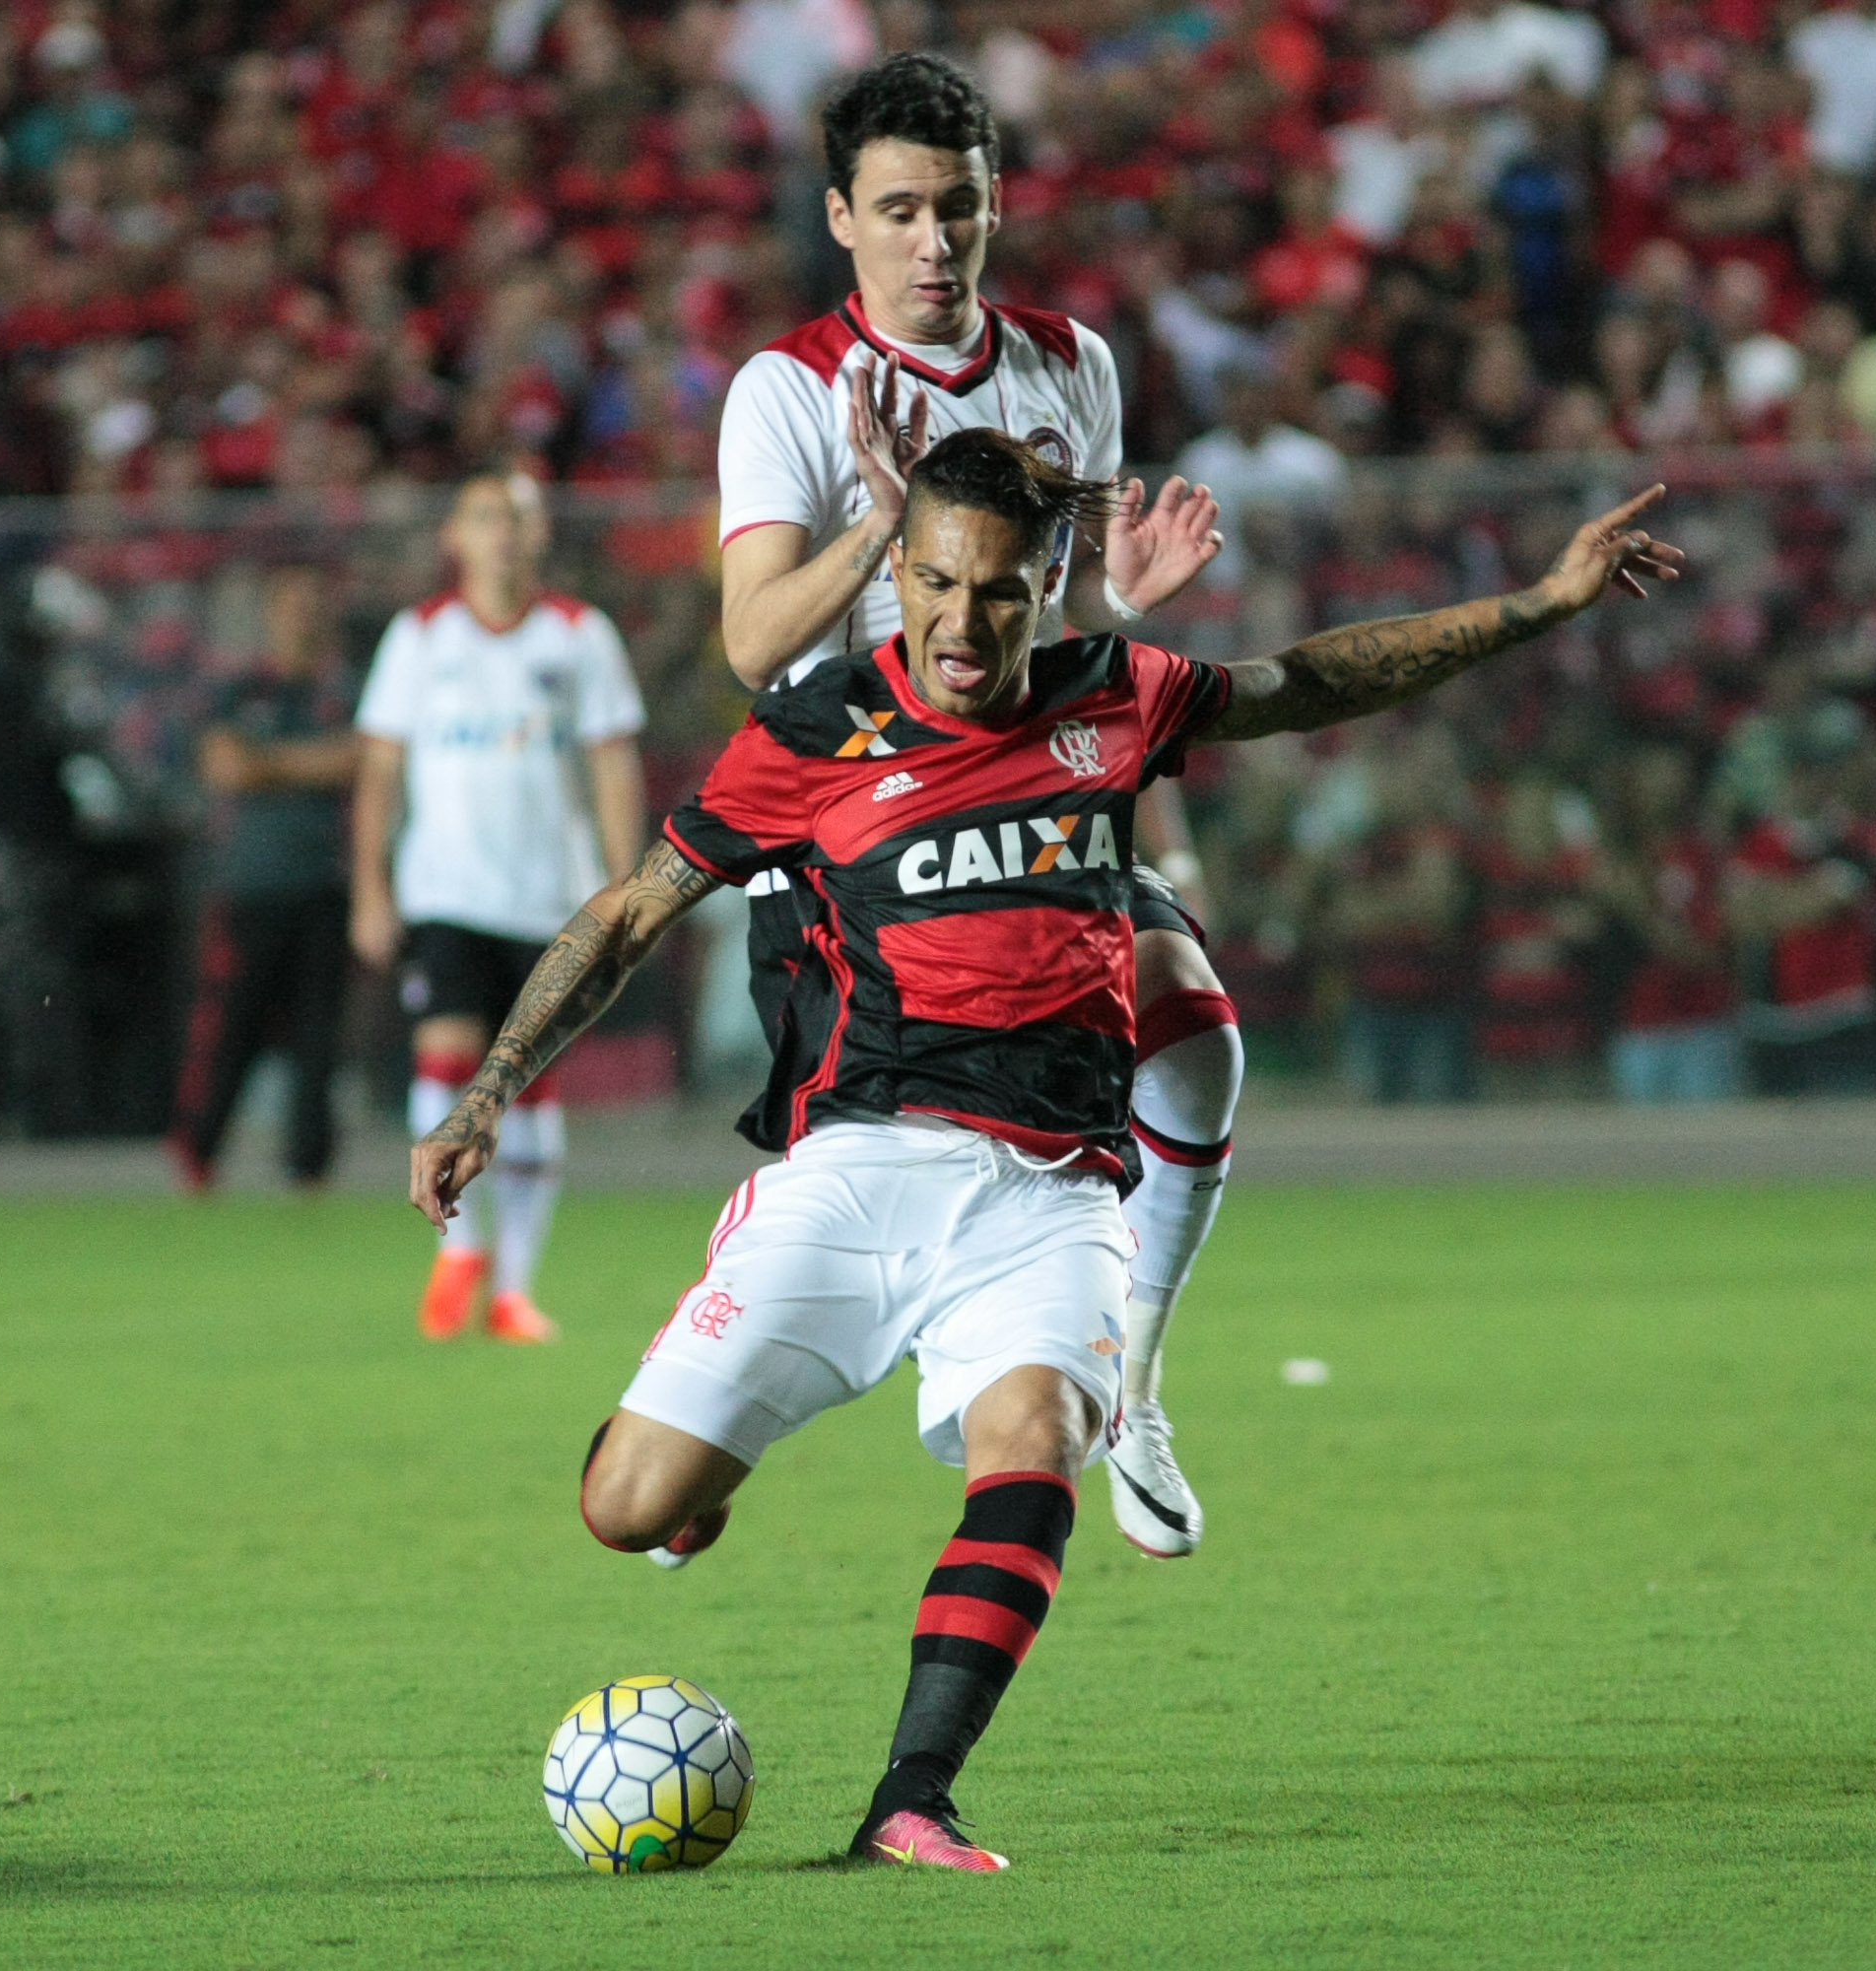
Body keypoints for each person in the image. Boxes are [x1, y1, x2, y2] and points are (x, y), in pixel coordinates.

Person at [409, 429, 1683, 1869]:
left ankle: (911, 1800)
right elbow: (632, 910)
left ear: (1051, 582)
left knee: (1036, 1446)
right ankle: (700, 1494)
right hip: (858, 1168)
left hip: (1054, 1194)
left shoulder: (1115, 695)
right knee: (620, 1507)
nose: (966, 623)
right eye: (939, 584)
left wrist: (1546, 602)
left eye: (1003, 592)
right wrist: (488, 1089)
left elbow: (1311, 680)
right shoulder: (817, 733)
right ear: (897, 569)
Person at [712, 51, 1234, 1560]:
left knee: (1194, 1025)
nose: (934, 244)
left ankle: (1129, 1380)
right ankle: (705, 1417)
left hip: (1025, 809)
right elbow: (753, 644)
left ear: (997, 206)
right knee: (850, 1188)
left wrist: (1131, 598)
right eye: (899, 212)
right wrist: (882, 517)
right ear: (840, 219)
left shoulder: (1072, 363)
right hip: (846, 850)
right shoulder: (789, 389)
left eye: (960, 210)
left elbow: (1060, 624)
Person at [352, 472, 646, 1343]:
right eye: (486, 516)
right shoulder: (421, 636)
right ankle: (460, 1249)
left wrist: (627, 885)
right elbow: (379, 767)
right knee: (444, 1053)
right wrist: (371, 884)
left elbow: (612, 761)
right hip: (446, 889)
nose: (504, 533)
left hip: (552, 895)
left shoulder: (579, 635)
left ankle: (515, 1289)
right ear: (457, 534)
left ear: (540, 534)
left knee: (532, 1085)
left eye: (517, 518)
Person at [170, 561, 362, 1191]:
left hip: (326, 884)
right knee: (232, 1023)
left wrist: (268, 763)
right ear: (271, 614)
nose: (302, 616)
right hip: (250, 886)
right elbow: (227, 769)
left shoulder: (347, 690)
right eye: (290, 603)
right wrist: (313, 762)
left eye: (312, 602)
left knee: (318, 1036)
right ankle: (198, 1151)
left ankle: (308, 1165)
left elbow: (359, 760)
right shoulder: (239, 690)